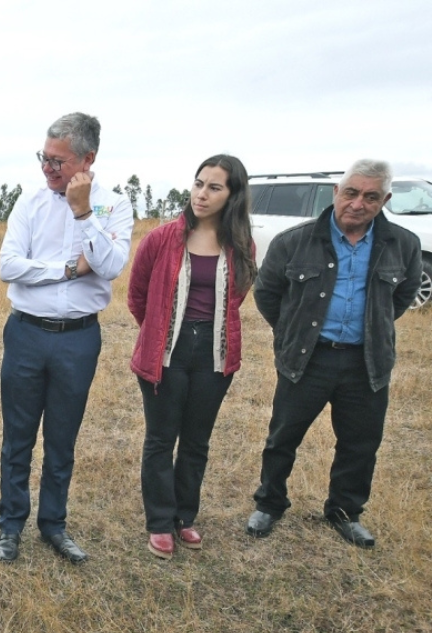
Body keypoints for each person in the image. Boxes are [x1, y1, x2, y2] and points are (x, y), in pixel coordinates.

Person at [247, 159, 421, 548]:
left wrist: (373, 326)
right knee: (283, 436)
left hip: (366, 361)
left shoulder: (404, 245)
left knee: (361, 442)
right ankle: (269, 504)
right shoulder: (294, 240)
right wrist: (293, 333)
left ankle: (345, 511)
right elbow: (267, 293)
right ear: (336, 194)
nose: (358, 203)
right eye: (352, 193)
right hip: (309, 359)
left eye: (371, 197)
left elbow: (403, 295)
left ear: (384, 200)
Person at [0, 112, 134, 564]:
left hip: (78, 339)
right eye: (44, 158)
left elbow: (111, 266)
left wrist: (82, 212)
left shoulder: (115, 206)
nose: (48, 169)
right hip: (26, 334)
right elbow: (9, 267)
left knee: (61, 439)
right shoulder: (29, 202)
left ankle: (53, 525)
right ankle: (10, 525)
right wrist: (69, 270)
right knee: (18, 437)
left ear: (88, 159)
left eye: (58, 162)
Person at [127, 155, 257, 560]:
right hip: (167, 351)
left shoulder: (241, 244)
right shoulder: (162, 238)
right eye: (199, 183)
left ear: (232, 194)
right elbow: (137, 296)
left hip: (214, 355)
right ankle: (161, 522)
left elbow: (236, 297)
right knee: (161, 439)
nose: (201, 193)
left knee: (197, 441)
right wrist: (157, 333)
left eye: (214, 187)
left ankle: (185, 517)